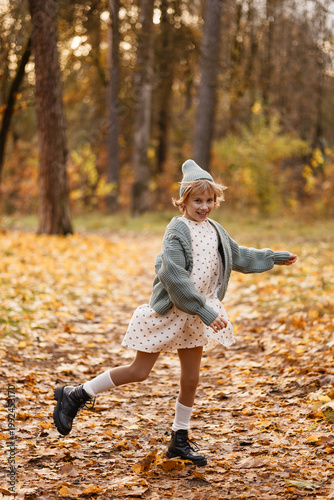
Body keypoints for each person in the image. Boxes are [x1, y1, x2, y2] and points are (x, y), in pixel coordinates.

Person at [53, 159, 297, 467]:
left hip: (196, 315)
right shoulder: (176, 231)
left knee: (191, 379)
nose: (204, 206)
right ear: (183, 200)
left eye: (210, 200)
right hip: (173, 311)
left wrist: (274, 257)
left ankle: (179, 440)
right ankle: (76, 395)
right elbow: (174, 276)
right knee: (139, 372)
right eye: (197, 200)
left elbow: (239, 255)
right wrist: (205, 311)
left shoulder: (216, 230)